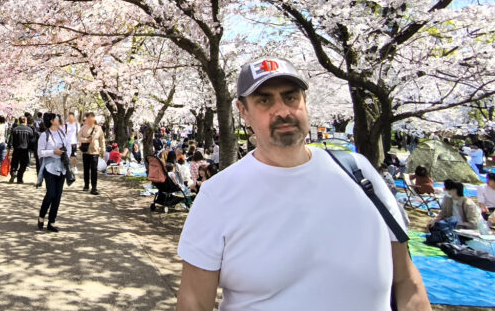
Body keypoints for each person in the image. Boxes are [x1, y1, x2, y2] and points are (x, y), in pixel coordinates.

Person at [176, 57, 429, 311]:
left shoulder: (359, 173)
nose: (283, 111)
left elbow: (406, 280)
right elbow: (194, 302)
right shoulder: (218, 195)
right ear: (243, 112)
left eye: (290, 97)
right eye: (264, 100)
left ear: (305, 101)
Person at [37, 114, 68, 232]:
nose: (59, 120)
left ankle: (52, 221)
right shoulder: (44, 135)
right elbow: (40, 153)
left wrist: (68, 154)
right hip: (49, 167)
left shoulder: (62, 133)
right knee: (51, 194)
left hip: (61, 167)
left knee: (58, 195)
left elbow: (68, 146)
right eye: (56, 118)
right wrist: (53, 152)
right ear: (51, 121)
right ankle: (41, 216)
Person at [78, 112, 105, 195]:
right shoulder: (83, 128)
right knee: (86, 169)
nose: (89, 119)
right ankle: (86, 185)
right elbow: (79, 137)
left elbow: (102, 140)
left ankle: (94, 188)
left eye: (91, 118)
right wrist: (86, 140)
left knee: (94, 170)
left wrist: (103, 150)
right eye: (88, 118)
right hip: (86, 151)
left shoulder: (98, 128)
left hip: (95, 151)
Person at [8, 115, 36, 184]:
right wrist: (32, 149)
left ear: (19, 121)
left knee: (14, 163)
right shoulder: (29, 130)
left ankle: (13, 173)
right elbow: (32, 141)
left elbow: (10, 140)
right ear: (25, 121)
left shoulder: (14, 129)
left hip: (16, 149)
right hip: (25, 149)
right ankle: (19, 178)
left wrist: (9, 147)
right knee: (23, 164)